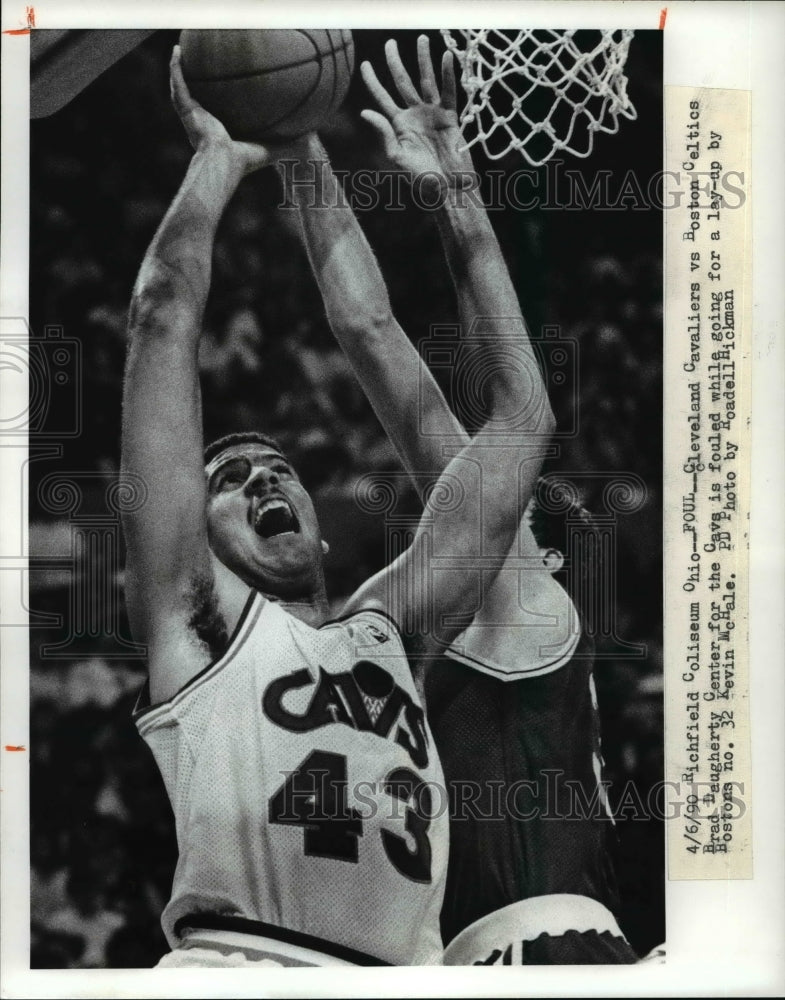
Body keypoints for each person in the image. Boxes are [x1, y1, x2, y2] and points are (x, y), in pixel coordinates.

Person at [120, 46, 551, 968]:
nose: (260, 481)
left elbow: (521, 422)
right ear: (195, 533)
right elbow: (160, 313)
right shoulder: (194, 627)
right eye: (227, 481)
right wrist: (214, 165)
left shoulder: (388, 631)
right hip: (236, 964)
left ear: (315, 515)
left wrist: (456, 194)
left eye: (273, 468)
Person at [287, 36, 638, 964]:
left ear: (545, 552)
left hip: (533, 948)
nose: (484, 503)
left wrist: (307, 149)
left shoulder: (518, 592)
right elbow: (368, 332)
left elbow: (371, 334)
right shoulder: (459, 617)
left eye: (516, 501)